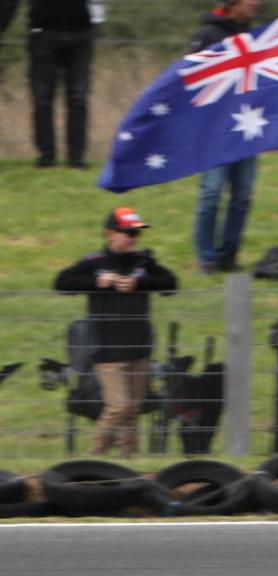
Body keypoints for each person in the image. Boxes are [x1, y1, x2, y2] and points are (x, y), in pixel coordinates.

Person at [53, 208, 178, 457]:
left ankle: (128, 460)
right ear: (110, 233)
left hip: (139, 347)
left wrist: (139, 284)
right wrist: (97, 283)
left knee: (133, 409)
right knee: (118, 406)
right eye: (128, 233)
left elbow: (170, 284)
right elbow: (61, 283)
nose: (133, 238)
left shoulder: (143, 261)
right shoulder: (93, 263)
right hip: (107, 349)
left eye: (136, 233)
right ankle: (95, 457)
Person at [189, 0, 262, 274]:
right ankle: (207, 257)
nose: (257, 3)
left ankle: (229, 254)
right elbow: (191, 79)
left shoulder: (254, 36)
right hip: (213, 130)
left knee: (242, 194)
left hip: (246, 126)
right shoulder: (207, 35)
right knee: (211, 193)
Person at [26, 0, 98, 168]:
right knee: (42, 100)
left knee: (78, 99)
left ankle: (76, 158)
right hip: (43, 33)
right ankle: (46, 156)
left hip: (80, 34)